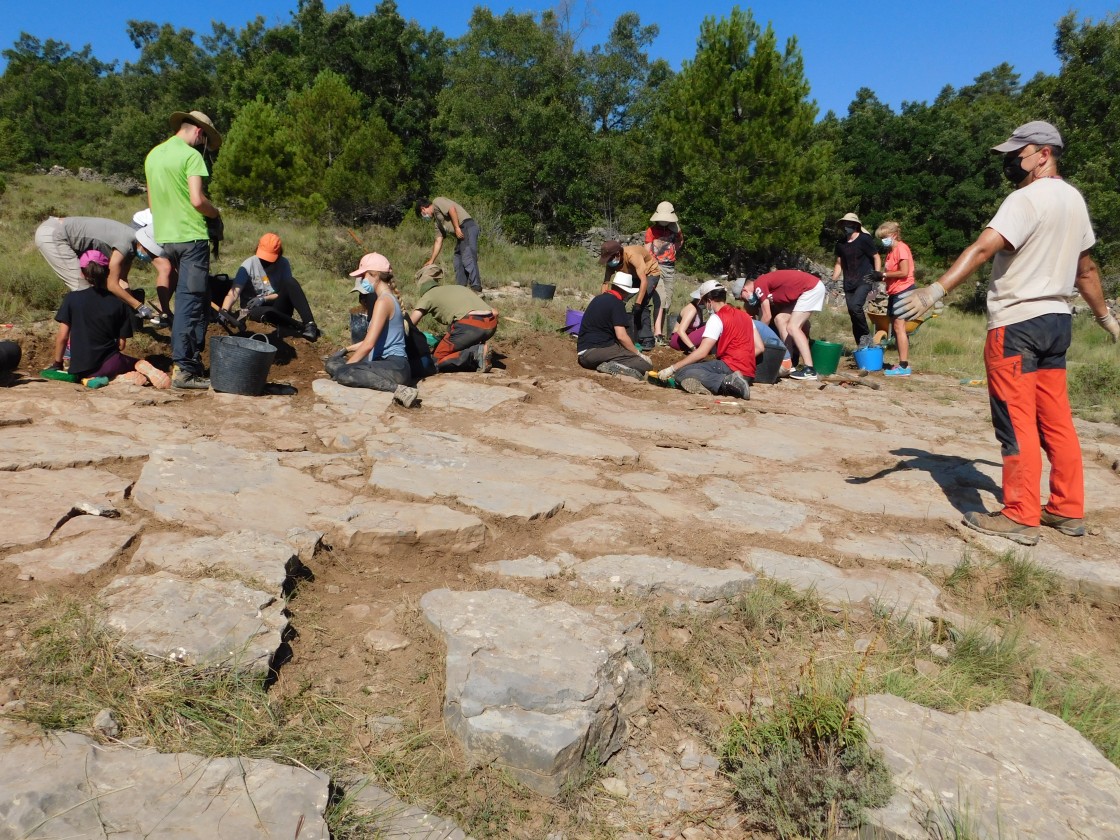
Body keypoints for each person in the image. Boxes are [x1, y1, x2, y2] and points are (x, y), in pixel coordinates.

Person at [896, 120, 1120, 546]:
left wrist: (936, 289)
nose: (1011, 164)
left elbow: (984, 247)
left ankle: (1020, 514)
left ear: (1043, 154)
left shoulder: (1025, 199)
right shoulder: (1074, 201)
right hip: (1057, 322)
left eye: (1017, 155)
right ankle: (1067, 509)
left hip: (1016, 325)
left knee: (1015, 422)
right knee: (1056, 421)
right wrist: (1105, 318)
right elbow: (1086, 269)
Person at [144, 109, 223, 390]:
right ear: (199, 132)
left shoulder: (154, 155)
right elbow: (197, 200)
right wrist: (216, 214)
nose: (204, 147)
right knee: (190, 304)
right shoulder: (191, 157)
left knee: (197, 301)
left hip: (167, 238)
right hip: (192, 239)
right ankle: (185, 371)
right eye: (205, 141)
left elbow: (153, 205)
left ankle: (192, 361)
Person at [46, 250, 170, 388]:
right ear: (107, 272)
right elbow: (121, 345)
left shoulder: (72, 299)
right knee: (134, 362)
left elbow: (62, 337)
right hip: (110, 362)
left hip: (80, 368)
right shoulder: (120, 303)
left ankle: (113, 379)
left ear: (83, 273)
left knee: (88, 375)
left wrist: (57, 363)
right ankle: (130, 370)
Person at [325, 252, 418, 407]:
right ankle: (346, 370)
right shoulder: (386, 299)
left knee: (343, 372)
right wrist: (344, 350)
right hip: (390, 366)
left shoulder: (384, 301)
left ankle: (398, 390)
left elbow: (368, 345)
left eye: (363, 276)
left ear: (373, 275)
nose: (361, 280)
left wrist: (347, 368)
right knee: (332, 364)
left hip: (395, 366)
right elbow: (372, 341)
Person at [34, 216, 159, 321]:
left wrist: (131, 309)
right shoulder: (125, 244)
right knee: (83, 289)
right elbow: (112, 285)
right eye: (152, 253)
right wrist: (139, 307)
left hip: (56, 230)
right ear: (145, 244)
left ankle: (99, 325)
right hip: (53, 235)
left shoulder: (133, 243)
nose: (152, 257)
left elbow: (121, 280)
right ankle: (78, 337)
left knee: (94, 290)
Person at [656, 280, 754, 399]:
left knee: (683, 372)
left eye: (703, 302)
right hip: (749, 373)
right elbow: (759, 346)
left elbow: (702, 352)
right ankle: (725, 383)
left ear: (709, 301)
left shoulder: (717, 318)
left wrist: (673, 368)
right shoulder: (744, 315)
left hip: (730, 366)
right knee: (702, 367)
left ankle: (727, 382)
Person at [217, 233, 320, 341]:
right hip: (254, 309)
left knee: (291, 282)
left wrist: (264, 299)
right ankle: (298, 325)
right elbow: (234, 293)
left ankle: (310, 325)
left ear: (279, 255)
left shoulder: (283, 264)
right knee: (268, 313)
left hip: (276, 305)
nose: (265, 262)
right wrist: (223, 311)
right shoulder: (248, 265)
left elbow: (285, 292)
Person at [733, 270, 826, 381]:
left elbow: (767, 316)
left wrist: (757, 337)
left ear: (744, 290)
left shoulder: (759, 284)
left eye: (742, 298)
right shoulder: (763, 287)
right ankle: (789, 363)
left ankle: (809, 369)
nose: (745, 301)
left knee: (793, 327)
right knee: (780, 319)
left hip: (811, 288)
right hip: (807, 289)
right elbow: (767, 315)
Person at [409, 276, 497, 372]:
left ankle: (475, 353)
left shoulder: (428, 295)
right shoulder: (458, 288)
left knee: (436, 361)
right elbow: (495, 312)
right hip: (491, 323)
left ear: (423, 292)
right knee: (455, 340)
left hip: (470, 325)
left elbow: (411, 323)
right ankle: (477, 353)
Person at [576, 272, 653, 380]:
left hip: (583, 353)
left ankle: (609, 364)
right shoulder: (617, 304)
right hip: (597, 351)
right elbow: (621, 335)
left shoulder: (597, 299)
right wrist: (638, 353)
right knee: (644, 365)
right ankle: (613, 367)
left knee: (625, 354)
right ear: (625, 291)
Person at [599, 240, 661, 351]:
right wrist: (603, 303)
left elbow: (644, 281)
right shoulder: (611, 261)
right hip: (632, 275)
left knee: (642, 304)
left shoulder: (633, 255)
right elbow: (606, 282)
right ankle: (618, 332)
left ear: (617, 254)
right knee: (617, 301)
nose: (608, 262)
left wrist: (637, 303)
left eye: (609, 259)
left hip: (649, 273)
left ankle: (647, 339)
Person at [833, 212, 882, 347]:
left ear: (855, 225)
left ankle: (866, 336)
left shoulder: (864, 239)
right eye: (843, 224)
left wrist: (877, 275)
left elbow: (876, 257)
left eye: (848, 224)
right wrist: (833, 280)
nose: (845, 226)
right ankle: (862, 345)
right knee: (853, 314)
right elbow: (839, 263)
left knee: (856, 307)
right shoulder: (840, 244)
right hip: (849, 282)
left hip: (865, 278)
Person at [875, 220, 916, 376]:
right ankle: (901, 364)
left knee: (899, 327)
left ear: (893, 235)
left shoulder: (902, 249)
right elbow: (890, 273)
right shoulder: (890, 252)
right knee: (896, 327)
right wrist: (878, 277)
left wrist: (883, 274)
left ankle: (904, 366)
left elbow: (904, 272)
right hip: (893, 291)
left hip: (903, 290)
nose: (883, 240)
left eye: (885, 237)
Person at [417, 197, 482, 292]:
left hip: (466, 226)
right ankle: (461, 289)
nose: (424, 217)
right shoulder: (437, 222)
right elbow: (438, 240)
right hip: (460, 233)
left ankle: (476, 288)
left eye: (422, 215)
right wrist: (432, 260)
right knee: (458, 259)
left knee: (468, 256)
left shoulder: (437, 202)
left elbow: (451, 209)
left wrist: (456, 228)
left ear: (423, 209)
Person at [645, 201, 683, 343]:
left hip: (670, 268)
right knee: (660, 298)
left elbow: (679, 243)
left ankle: (660, 333)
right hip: (655, 267)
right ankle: (657, 333)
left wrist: (670, 253)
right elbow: (647, 250)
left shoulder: (675, 230)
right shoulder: (651, 231)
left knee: (668, 301)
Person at [670, 288, 706, 352]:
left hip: (688, 336)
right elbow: (680, 331)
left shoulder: (698, 309)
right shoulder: (692, 309)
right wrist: (693, 348)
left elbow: (700, 326)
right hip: (678, 340)